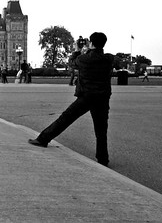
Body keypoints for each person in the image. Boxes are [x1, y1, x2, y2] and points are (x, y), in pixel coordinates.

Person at [28, 32, 116, 167]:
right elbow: (101, 58)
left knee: (65, 119)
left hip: (86, 96)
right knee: (101, 130)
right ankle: (103, 158)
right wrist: (89, 50)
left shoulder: (83, 59)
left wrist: (77, 50)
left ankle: (43, 139)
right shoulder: (109, 59)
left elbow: (73, 63)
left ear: (91, 43)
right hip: (102, 98)